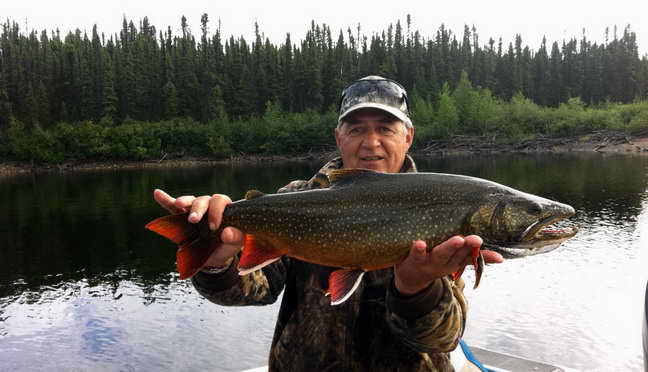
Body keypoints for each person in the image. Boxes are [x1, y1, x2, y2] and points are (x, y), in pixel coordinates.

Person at [153, 76, 503, 371]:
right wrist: (217, 261)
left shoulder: (442, 204)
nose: (371, 143)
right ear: (339, 137)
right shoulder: (296, 199)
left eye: (385, 128)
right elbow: (255, 290)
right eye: (356, 129)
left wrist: (418, 289)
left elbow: (444, 337)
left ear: (407, 137)